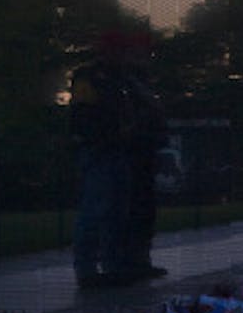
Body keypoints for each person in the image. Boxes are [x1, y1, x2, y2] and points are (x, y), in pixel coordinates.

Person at [69, 30, 168, 288]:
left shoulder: (124, 79)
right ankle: (87, 269)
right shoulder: (91, 76)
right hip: (99, 149)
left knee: (117, 212)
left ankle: (115, 266)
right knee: (95, 210)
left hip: (122, 150)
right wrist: (106, 134)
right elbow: (83, 114)